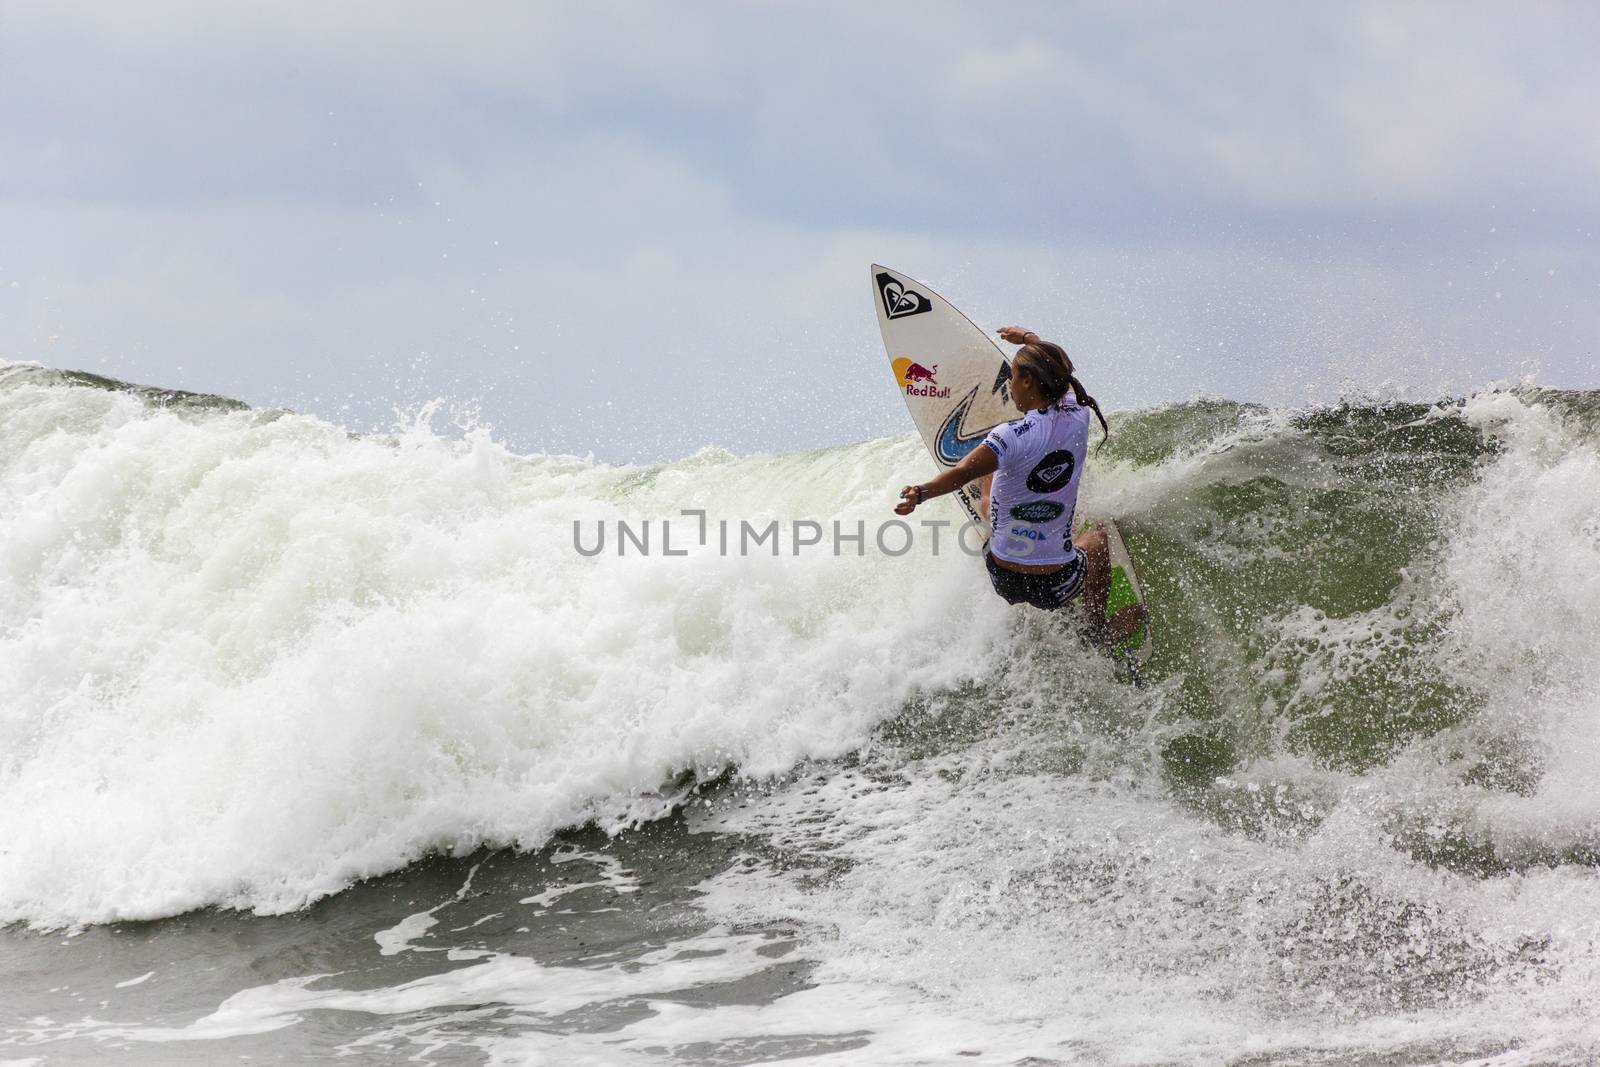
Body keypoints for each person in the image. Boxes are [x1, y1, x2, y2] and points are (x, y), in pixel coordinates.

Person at [893, 327, 1145, 646]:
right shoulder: (1079, 413)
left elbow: (959, 473)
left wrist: (921, 492)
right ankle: (1096, 629)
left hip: (1003, 578)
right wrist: (1029, 339)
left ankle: (987, 508)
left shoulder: (1008, 436)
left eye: (1012, 378)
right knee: (1096, 539)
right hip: (1058, 586)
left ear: (1028, 381)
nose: (1010, 386)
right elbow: (1062, 373)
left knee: (990, 483)